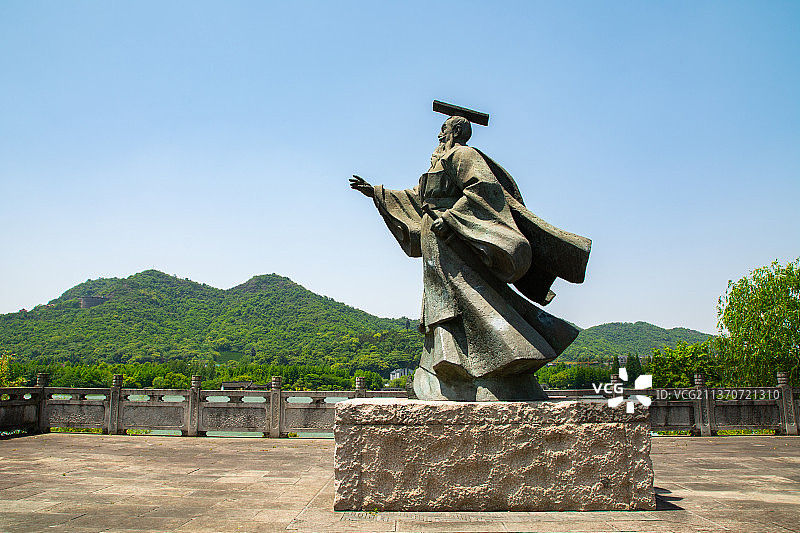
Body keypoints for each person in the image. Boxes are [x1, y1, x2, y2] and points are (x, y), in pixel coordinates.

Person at [350, 115, 590, 401]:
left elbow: (482, 191)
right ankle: (448, 369)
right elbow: (418, 198)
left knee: (472, 297)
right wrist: (377, 193)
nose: (439, 134)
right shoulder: (438, 162)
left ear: (458, 131)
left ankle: (506, 359)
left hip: (454, 239)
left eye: (444, 129)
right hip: (434, 241)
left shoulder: (464, 154)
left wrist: (450, 219)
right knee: (444, 302)